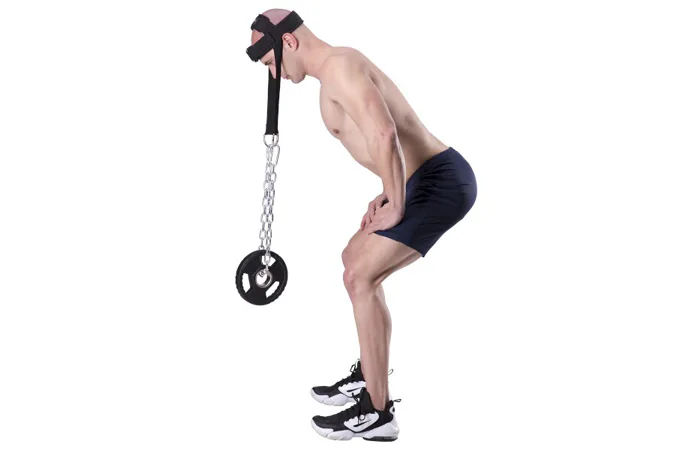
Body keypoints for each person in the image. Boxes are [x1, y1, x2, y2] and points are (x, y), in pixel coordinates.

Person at [249, 9, 477, 442]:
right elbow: (384, 139)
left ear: (289, 42)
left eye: (271, 62)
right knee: (353, 259)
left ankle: (378, 411)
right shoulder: (332, 76)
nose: (274, 74)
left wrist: (397, 202)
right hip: (421, 180)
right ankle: (370, 374)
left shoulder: (340, 66)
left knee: (359, 276)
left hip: (441, 181)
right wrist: (390, 189)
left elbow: (384, 133)